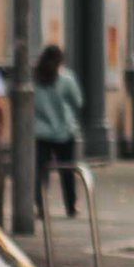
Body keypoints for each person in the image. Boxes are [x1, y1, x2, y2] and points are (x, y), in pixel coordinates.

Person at [32, 42, 85, 214]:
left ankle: (40, 205)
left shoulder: (35, 78)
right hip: (64, 131)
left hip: (42, 132)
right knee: (67, 171)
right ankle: (70, 206)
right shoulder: (66, 78)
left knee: (41, 172)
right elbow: (78, 101)